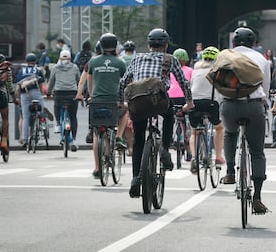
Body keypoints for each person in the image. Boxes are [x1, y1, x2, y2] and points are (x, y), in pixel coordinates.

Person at [119, 28, 193, 199]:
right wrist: (189, 102)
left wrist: (120, 102)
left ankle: (136, 179)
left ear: (148, 45)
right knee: (169, 115)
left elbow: (123, 82)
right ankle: (165, 148)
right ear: (166, 46)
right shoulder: (170, 59)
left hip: (137, 102)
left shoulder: (137, 58)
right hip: (158, 101)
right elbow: (183, 82)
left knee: (138, 141)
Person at [219, 26, 272, 214]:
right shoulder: (262, 59)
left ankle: (231, 172)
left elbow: (218, 82)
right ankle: (257, 197)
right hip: (253, 105)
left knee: (230, 133)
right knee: (257, 152)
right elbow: (265, 88)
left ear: (233, 43)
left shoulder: (224, 55)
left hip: (229, 106)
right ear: (253, 43)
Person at [84, 33, 127, 178]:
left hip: (96, 101)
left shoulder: (93, 62)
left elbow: (89, 82)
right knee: (125, 111)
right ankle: (119, 137)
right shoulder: (120, 63)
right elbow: (125, 83)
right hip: (114, 101)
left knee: (97, 134)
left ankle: (97, 168)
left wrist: (91, 96)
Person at [187, 46, 225, 173]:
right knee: (219, 128)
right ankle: (218, 157)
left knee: (194, 132)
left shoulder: (195, 70)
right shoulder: (217, 71)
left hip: (195, 103)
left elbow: (191, 86)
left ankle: (194, 157)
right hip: (211, 103)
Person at [15, 52, 52, 146]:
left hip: (24, 94)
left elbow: (18, 87)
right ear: (35, 61)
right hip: (35, 92)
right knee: (41, 108)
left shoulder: (21, 71)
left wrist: (18, 98)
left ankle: (24, 139)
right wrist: (42, 94)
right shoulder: (38, 70)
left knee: (25, 117)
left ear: (26, 62)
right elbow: (41, 85)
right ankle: (43, 114)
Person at [47, 49, 81, 151]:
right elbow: (78, 80)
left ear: (60, 58)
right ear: (70, 58)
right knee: (73, 116)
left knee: (56, 106)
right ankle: (74, 139)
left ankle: (57, 124)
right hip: (72, 94)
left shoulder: (55, 68)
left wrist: (48, 92)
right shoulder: (74, 67)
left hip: (59, 93)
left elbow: (51, 81)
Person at [0, 53, 15, 155]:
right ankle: (4, 141)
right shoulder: (6, 69)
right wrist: (14, 98)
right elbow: (9, 86)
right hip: (1, 94)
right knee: (5, 118)